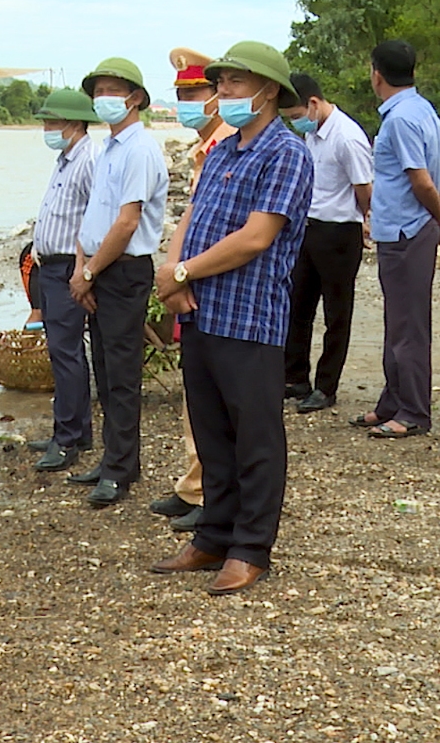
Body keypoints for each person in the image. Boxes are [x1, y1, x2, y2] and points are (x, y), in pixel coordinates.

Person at [151, 41, 313, 595]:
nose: (224, 92)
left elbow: (256, 237)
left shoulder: (286, 154)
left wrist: (182, 274)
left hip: (249, 315)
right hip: (200, 312)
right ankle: (212, 536)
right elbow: (192, 214)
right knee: (212, 433)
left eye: (237, 83)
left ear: (269, 91)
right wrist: (172, 269)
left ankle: (250, 548)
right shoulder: (221, 151)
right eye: (221, 83)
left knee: (256, 438)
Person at [67, 58, 168, 506]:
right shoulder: (108, 148)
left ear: (136, 99)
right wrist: (81, 267)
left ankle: (122, 469)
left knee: (123, 374)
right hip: (97, 269)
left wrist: (90, 273)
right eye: (98, 90)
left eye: (112, 89)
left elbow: (127, 223)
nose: (103, 97)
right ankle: (114, 459)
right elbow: (92, 216)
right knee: (104, 371)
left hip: (123, 271)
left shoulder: (140, 149)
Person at [149, 48, 238, 533]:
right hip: (190, 281)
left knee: (213, 401)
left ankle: (209, 493)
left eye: (195, 93)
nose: (188, 103)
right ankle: (192, 486)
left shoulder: (227, 145)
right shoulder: (207, 147)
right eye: (181, 94)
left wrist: (182, 273)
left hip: (212, 286)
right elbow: (192, 218)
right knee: (195, 399)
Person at [351, 40, 440, 439]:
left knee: (408, 325)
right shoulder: (420, 109)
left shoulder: (401, 119)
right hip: (400, 228)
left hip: (408, 229)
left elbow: (420, 180)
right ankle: (392, 401)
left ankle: (413, 412)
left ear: (377, 74)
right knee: (397, 321)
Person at [281, 73, 373, 414]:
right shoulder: (313, 135)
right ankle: (295, 376)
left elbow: (364, 187)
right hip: (309, 226)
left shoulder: (346, 137)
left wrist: (366, 221)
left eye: (295, 115)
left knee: (337, 313)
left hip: (339, 231)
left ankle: (326, 385)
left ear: (314, 104)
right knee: (298, 305)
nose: (295, 123)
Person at [25, 88, 100, 473]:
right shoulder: (66, 158)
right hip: (51, 265)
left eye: (52, 122)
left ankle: (68, 438)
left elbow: (93, 217)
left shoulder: (88, 160)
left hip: (68, 267)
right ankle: (73, 430)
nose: (47, 128)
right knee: (63, 350)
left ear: (72, 123)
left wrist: (82, 269)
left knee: (65, 352)